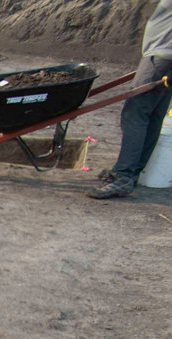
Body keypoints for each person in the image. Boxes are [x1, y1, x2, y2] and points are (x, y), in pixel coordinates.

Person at [89, 0, 172, 199]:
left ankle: (124, 177)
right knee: (152, 116)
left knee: (135, 114)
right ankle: (130, 172)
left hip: (162, 55)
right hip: (163, 55)